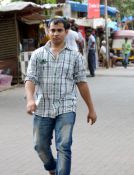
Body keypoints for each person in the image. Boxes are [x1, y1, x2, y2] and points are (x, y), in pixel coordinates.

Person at [25, 18, 97, 175]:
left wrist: (91, 109)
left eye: (59, 30)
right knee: (40, 146)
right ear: (48, 31)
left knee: (64, 146)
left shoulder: (75, 56)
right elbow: (30, 79)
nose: (55, 33)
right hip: (42, 107)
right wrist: (30, 100)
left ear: (66, 32)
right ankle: (52, 167)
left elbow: (82, 83)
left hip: (66, 107)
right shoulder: (38, 54)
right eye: (52, 30)